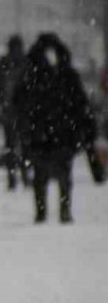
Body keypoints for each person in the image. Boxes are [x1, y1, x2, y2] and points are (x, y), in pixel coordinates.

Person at [15, 33, 97, 224]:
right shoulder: (63, 75)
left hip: (47, 132)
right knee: (60, 174)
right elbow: (81, 104)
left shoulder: (33, 74)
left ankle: (45, 211)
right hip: (59, 132)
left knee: (43, 174)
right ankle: (61, 210)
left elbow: (20, 102)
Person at [0, 35, 28, 190]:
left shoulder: (4, 64)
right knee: (23, 146)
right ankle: (23, 175)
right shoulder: (25, 63)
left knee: (12, 146)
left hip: (10, 111)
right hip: (21, 111)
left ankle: (13, 176)